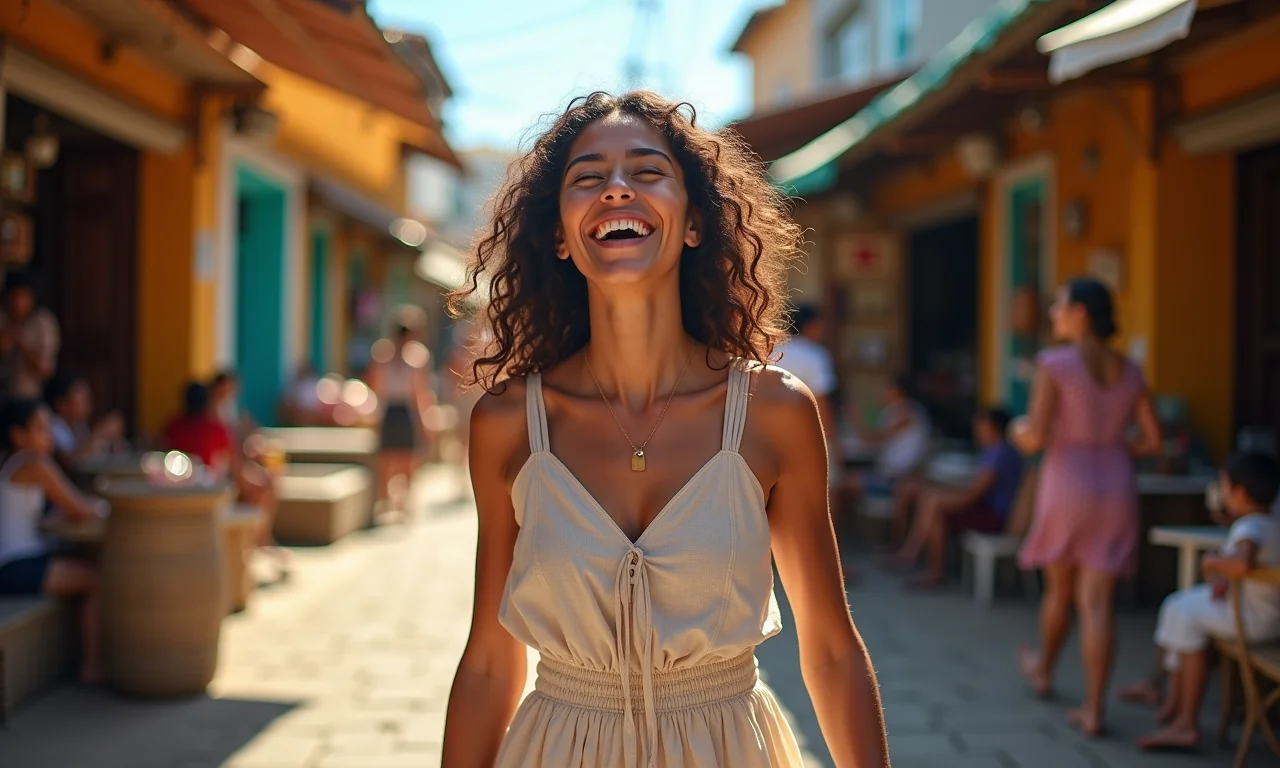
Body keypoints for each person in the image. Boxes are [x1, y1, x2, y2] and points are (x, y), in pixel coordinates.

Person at [440, 91, 888, 768]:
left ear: (694, 225)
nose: (617, 189)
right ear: (560, 234)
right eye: (588, 178)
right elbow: (488, 663)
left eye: (647, 172)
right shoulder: (507, 424)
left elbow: (829, 649)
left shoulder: (774, 412)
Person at [1011, 277, 1163, 737]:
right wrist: (1112, 450)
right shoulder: (1130, 368)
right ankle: (1094, 709)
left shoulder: (1055, 363)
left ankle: (1043, 672)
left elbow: (1035, 436)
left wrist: (1017, 431)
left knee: (1060, 590)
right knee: (1098, 602)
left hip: (1067, 480)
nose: (1053, 312)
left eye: (1059, 305)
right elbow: (1153, 440)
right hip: (1116, 481)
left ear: (1080, 313)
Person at [1128, 452, 1280, 750]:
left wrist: (1213, 562)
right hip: (1269, 617)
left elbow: (1242, 564)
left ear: (1238, 493)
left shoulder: (1250, 528)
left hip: (1253, 621)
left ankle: (1185, 720)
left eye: (1224, 486)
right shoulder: (1271, 523)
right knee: (1179, 606)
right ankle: (1173, 700)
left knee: (1183, 612)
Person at [0, 398, 107, 684]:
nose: (48, 435)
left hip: (17, 561)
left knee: (87, 565)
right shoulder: (35, 464)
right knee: (96, 579)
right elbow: (80, 509)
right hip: (15, 566)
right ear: (18, 435)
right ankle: (93, 666)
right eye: (40, 428)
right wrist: (107, 507)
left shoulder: (13, 464)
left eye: (48, 428)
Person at [887, 407, 1024, 587]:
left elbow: (973, 495)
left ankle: (927, 566)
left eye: (981, 425)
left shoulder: (999, 454)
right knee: (931, 500)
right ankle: (914, 556)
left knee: (933, 504)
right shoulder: (995, 451)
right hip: (987, 509)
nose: (977, 430)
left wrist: (941, 499)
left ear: (993, 427)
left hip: (995, 517)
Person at [166, 382, 288, 573]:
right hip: (208, 495)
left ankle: (260, 541)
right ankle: (261, 540)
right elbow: (236, 469)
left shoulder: (173, 426)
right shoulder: (215, 428)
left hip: (176, 493)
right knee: (264, 486)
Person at [365, 324, 435, 518]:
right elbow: (375, 384)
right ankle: (386, 500)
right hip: (390, 408)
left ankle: (404, 500)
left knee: (409, 457)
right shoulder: (382, 355)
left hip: (406, 409)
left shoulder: (416, 358)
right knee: (387, 457)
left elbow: (420, 392)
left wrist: (424, 420)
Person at [849, 375, 931, 498]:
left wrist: (856, 420)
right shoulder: (892, 412)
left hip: (898, 478)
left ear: (899, 392)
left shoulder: (908, 413)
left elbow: (874, 439)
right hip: (888, 473)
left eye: (888, 388)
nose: (883, 392)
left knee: (845, 484)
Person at [0, 270, 60, 399]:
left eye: (23, 296)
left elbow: (45, 370)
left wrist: (22, 343)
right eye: (14, 296)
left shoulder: (43, 322)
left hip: (30, 397)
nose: (18, 302)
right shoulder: (3, 318)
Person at [44, 372, 126, 466]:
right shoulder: (54, 427)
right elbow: (71, 463)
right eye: (82, 398)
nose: (88, 403)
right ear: (61, 404)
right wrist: (98, 434)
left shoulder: (79, 425)